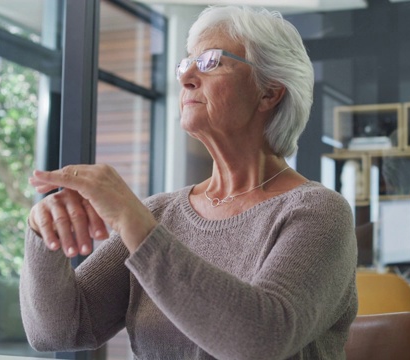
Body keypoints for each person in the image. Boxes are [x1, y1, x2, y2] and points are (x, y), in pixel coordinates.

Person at [19, 5, 358, 360]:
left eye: (211, 61)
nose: (186, 78)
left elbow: (262, 340)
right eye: (186, 64)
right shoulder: (161, 213)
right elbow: (59, 331)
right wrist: (45, 232)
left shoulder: (320, 213)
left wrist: (135, 224)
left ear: (269, 93)